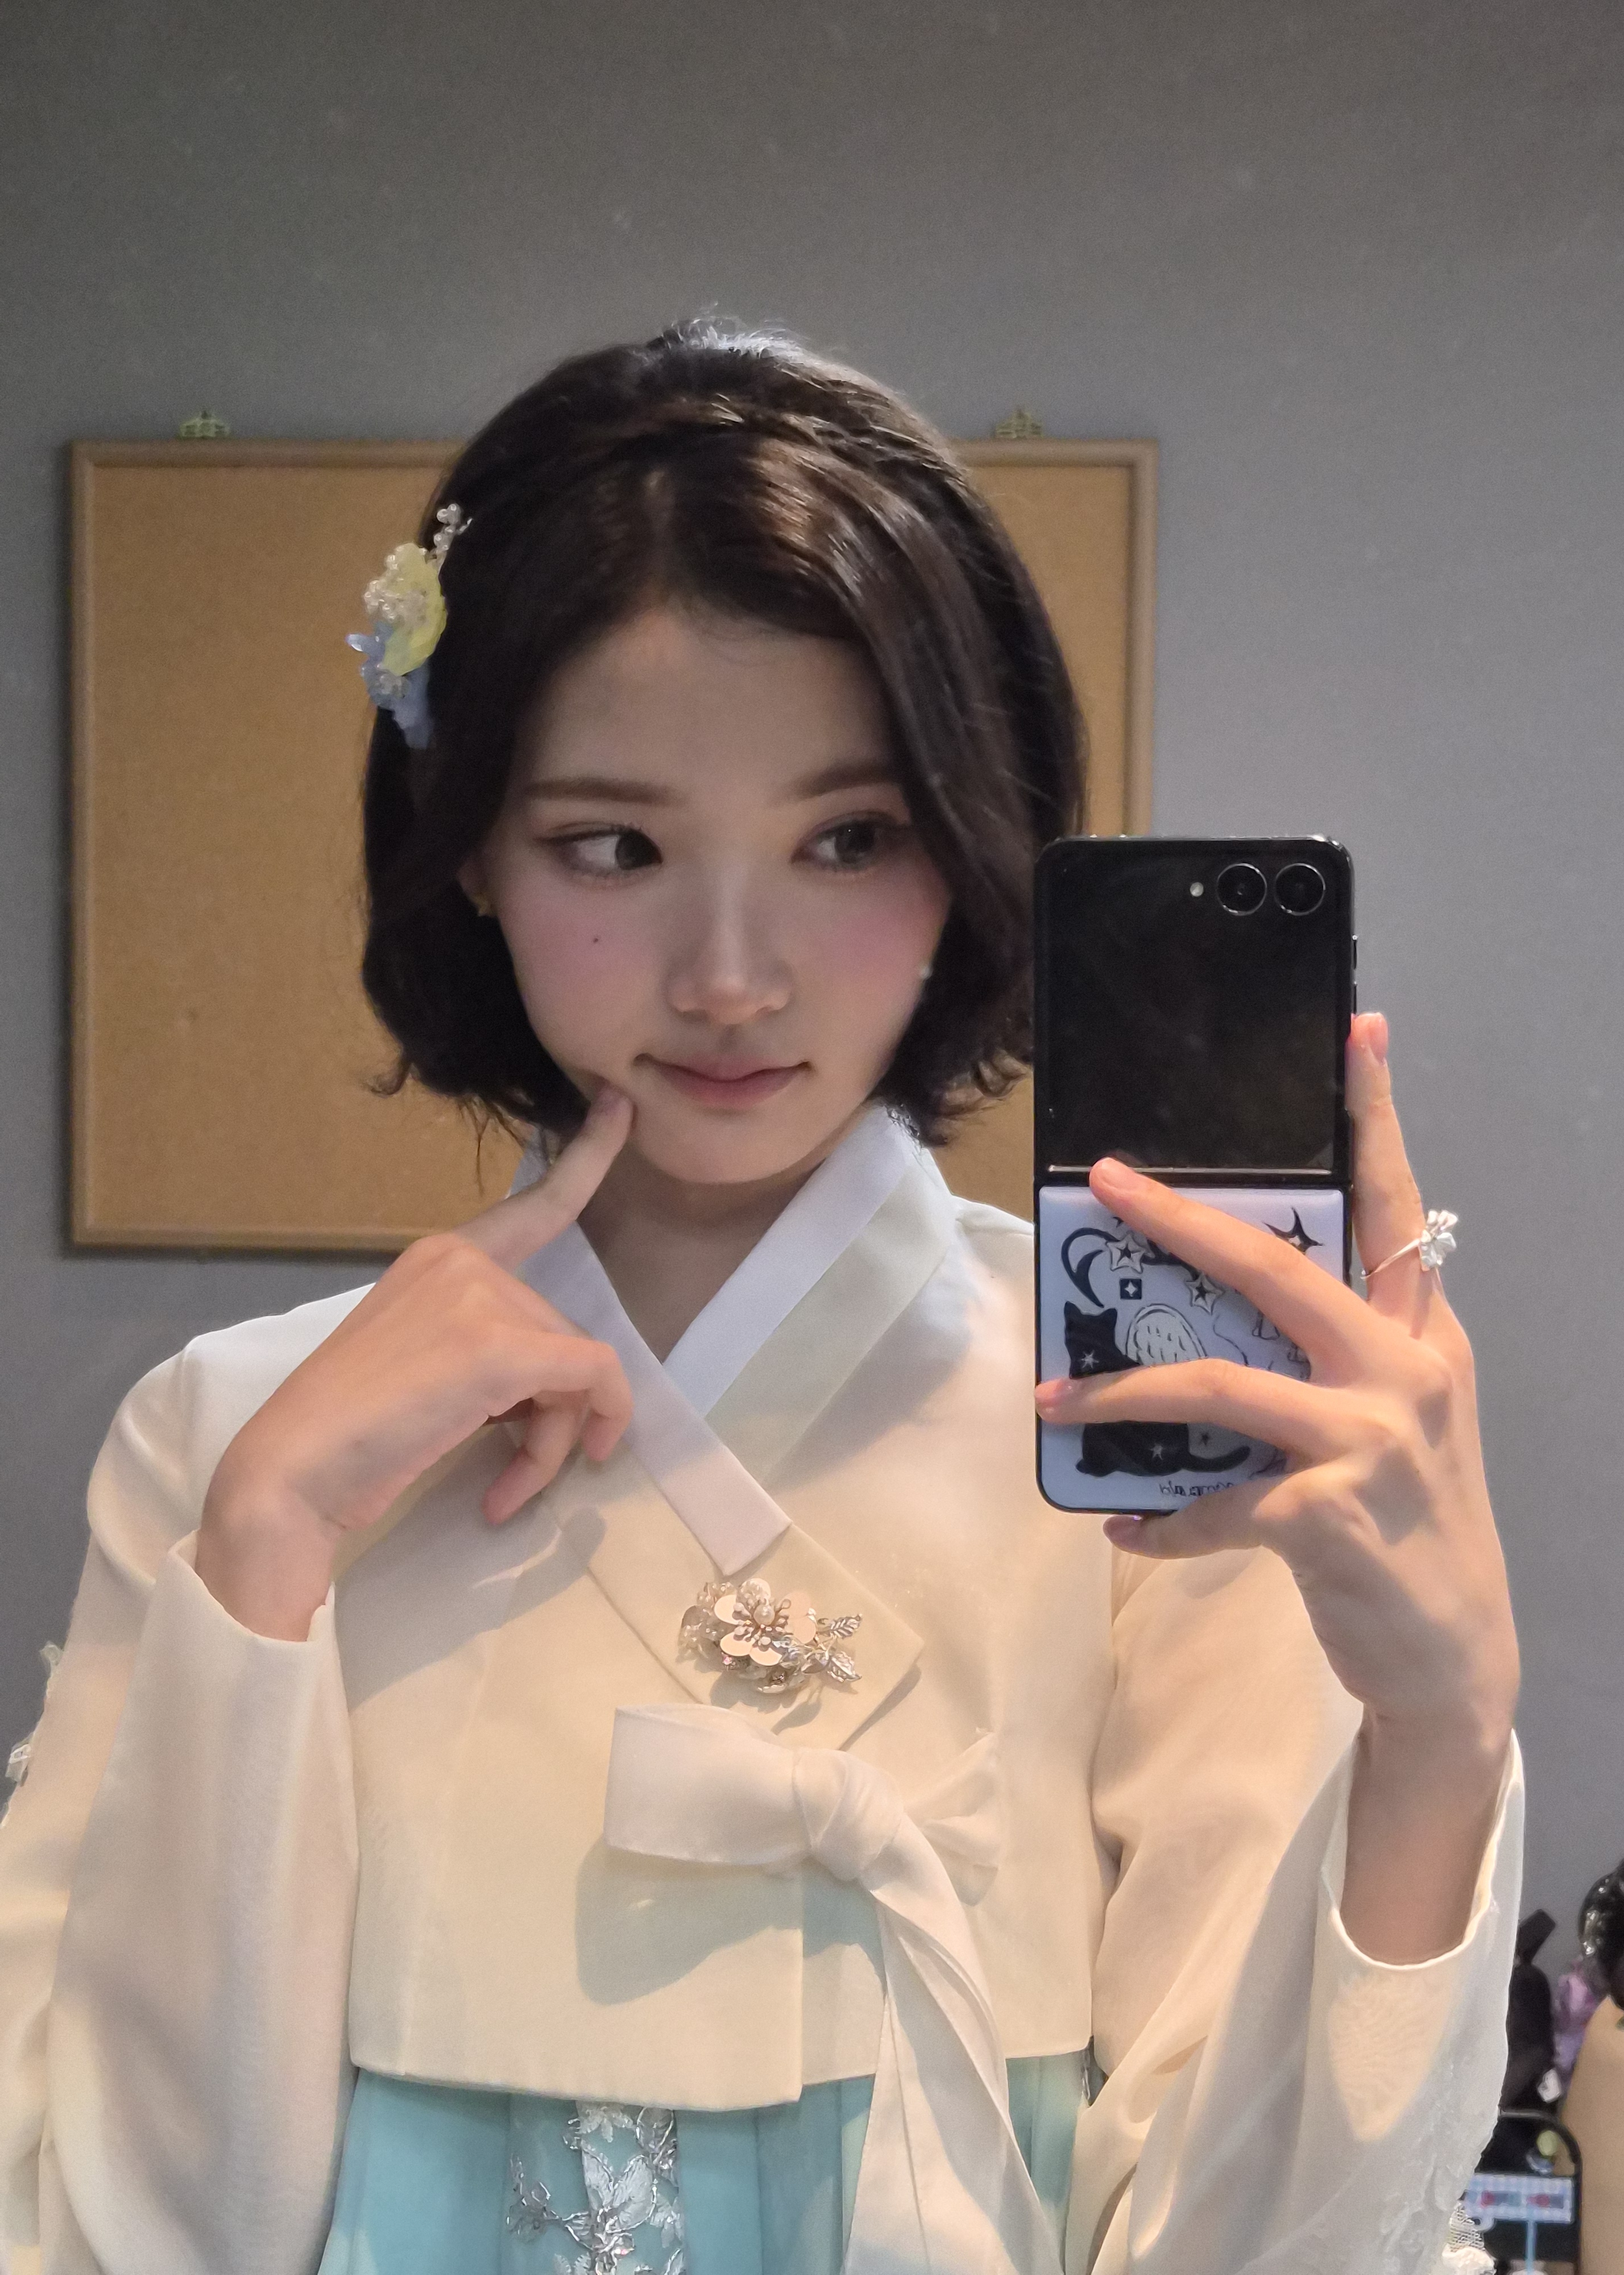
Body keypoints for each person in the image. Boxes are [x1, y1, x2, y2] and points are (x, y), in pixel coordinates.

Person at [0, 323, 1523, 2275]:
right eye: (615, 844)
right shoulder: (235, 1441)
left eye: (847, 839)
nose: (732, 977)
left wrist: (1441, 1731)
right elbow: (108, 2230)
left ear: (971, 849)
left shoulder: (1162, 1440)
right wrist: (268, 1541)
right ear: (471, 856)